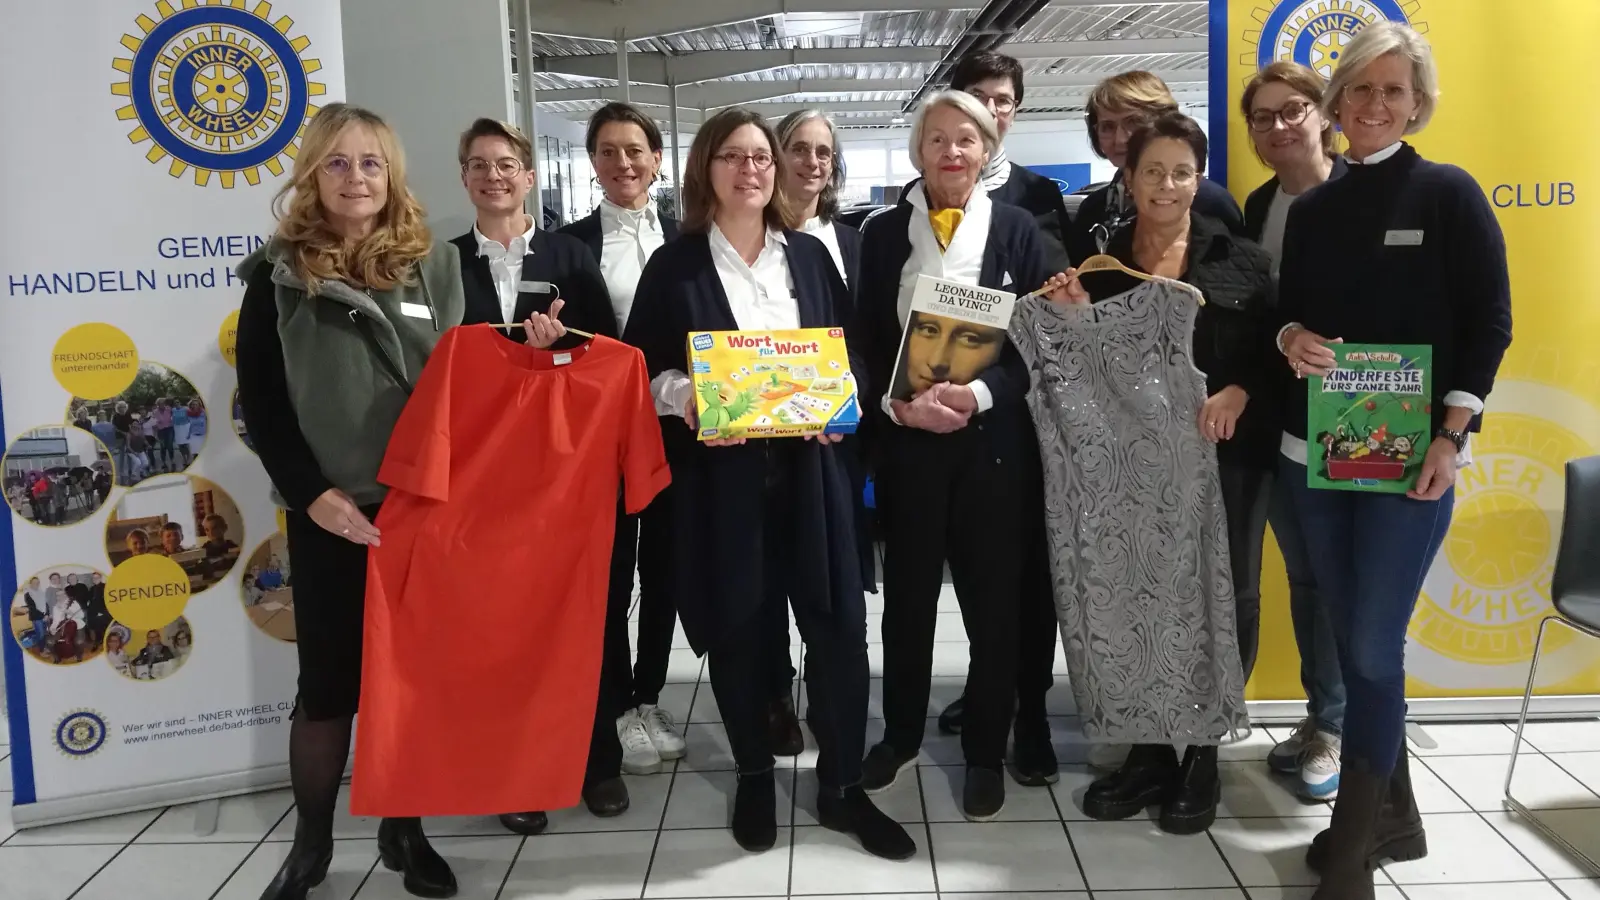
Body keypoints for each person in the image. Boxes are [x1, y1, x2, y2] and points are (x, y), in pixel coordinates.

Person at [623, 106, 914, 861]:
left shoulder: (812, 259)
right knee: (741, 635)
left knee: (839, 634)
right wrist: (684, 397)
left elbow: (845, 354)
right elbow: (639, 370)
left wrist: (838, 408)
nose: (749, 170)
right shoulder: (677, 266)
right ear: (705, 171)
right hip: (722, 483)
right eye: (732, 157)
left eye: (760, 157)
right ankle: (755, 770)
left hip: (814, 476)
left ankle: (843, 784)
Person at [1277, 24, 1512, 899]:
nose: (1375, 106)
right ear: (1336, 101)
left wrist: (1453, 435)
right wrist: (1290, 337)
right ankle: (1396, 816)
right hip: (1313, 457)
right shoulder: (1312, 209)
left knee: (1374, 647)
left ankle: (1352, 839)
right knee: (1350, 640)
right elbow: (1289, 313)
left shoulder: (1447, 194)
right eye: (1361, 90)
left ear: (1418, 104)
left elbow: (1489, 322)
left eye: (1394, 92)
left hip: (1410, 460)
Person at [235, 102, 468, 900]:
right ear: (312, 174)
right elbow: (262, 406)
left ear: (392, 172)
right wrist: (314, 496)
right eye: (337, 162)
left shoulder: (433, 264)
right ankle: (311, 846)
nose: (356, 178)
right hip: (333, 511)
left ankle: (406, 830)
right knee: (330, 688)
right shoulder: (275, 274)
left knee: (414, 683)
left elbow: (457, 386)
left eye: (371, 162)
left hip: (421, 508)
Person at [853, 91, 1072, 821]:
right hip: (910, 444)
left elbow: (1039, 348)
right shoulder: (884, 233)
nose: (951, 152)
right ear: (918, 151)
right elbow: (865, 341)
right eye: (937, 139)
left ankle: (985, 748)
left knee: (995, 606)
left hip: (993, 451)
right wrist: (893, 404)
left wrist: (977, 399)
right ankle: (901, 736)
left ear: (986, 151)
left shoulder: (1018, 231)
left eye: (965, 140)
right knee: (909, 604)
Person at [1054, 112, 1274, 834]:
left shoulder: (1239, 262)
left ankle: (1203, 750)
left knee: (1227, 595)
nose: (1168, 185)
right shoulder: (1100, 262)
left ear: (1199, 176)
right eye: (1154, 171)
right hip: (1134, 468)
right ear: (1129, 176)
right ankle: (1151, 746)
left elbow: (1276, 357)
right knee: (1143, 594)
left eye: (1183, 171)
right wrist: (1075, 319)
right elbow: (1086, 371)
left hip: (1225, 462)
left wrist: (1241, 389)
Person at [448, 114, 643, 838]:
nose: (494, 176)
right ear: (464, 177)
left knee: (591, 614)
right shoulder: (441, 267)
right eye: (479, 165)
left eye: (507, 165)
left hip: (572, 474)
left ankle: (600, 758)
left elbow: (609, 362)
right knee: (507, 624)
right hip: (485, 479)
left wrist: (561, 350)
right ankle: (518, 768)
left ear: (530, 176)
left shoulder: (571, 255)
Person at [558, 102, 689, 805]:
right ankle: (612, 708)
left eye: (635, 150)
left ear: (658, 158)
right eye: (607, 152)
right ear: (593, 163)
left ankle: (648, 695)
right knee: (611, 573)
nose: (623, 163)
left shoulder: (687, 237)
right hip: (598, 436)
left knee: (666, 566)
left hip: (675, 427)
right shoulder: (569, 246)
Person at [1241, 60, 1348, 800]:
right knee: (1305, 580)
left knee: (1340, 584)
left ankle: (1338, 728)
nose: (1279, 126)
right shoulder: (1256, 205)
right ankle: (1321, 717)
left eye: (1293, 110)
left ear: (1323, 114)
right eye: (1263, 117)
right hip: (1279, 427)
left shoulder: (1363, 195)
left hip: (1358, 423)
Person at [766, 107, 873, 757]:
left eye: (823, 152)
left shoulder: (855, 240)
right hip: (759, 439)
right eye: (798, 148)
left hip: (835, 438)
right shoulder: (749, 235)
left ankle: (833, 704)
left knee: (833, 576)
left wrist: (848, 396)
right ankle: (776, 692)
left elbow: (864, 338)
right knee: (769, 574)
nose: (811, 162)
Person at [1067, 71, 1245, 265]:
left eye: (1133, 122)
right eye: (1107, 127)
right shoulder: (1092, 209)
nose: (1120, 139)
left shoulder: (1209, 201)